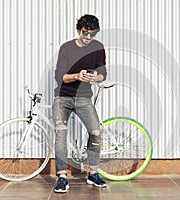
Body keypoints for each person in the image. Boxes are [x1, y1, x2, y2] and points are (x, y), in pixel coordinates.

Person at [52, 14, 107, 193]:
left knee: (96, 132)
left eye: (92, 34)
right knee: (61, 132)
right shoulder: (66, 48)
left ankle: (92, 172)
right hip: (63, 97)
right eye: (85, 33)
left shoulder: (98, 48)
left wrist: (95, 77)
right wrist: (77, 76)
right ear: (78, 30)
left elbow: (102, 73)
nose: (88, 38)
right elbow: (59, 78)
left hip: (84, 98)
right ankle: (61, 176)